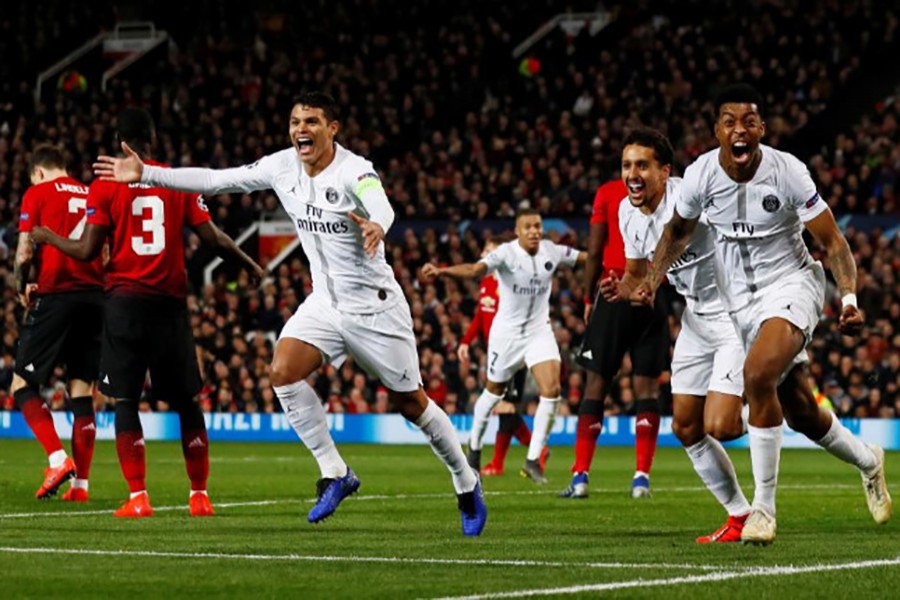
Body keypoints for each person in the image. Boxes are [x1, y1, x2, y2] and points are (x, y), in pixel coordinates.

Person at [91, 92, 487, 536]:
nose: (302, 129)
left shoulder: (354, 169)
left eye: (312, 121)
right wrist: (149, 174)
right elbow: (216, 180)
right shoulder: (282, 166)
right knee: (282, 371)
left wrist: (379, 223)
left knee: (411, 403)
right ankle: (335, 472)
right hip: (325, 302)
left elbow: (380, 201)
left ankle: (465, 481)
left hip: (374, 306)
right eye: (296, 120)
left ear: (332, 129)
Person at [633, 83, 891, 544]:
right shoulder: (700, 177)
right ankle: (870, 462)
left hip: (792, 286)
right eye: (729, 121)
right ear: (717, 131)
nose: (740, 129)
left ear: (761, 129)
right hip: (739, 306)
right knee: (802, 413)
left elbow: (833, 243)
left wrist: (848, 299)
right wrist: (651, 282)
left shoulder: (787, 172)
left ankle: (763, 513)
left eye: (749, 121)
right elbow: (675, 231)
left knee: (756, 375)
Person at [34, 108, 264, 518]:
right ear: (152, 141)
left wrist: (49, 237)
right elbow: (211, 237)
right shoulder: (175, 180)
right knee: (187, 402)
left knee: (125, 399)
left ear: (118, 141)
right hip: (170, 305)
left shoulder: (104, 188)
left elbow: (87, 250)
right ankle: (199, 496)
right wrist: (247, 264)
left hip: (124, 303)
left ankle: (138, 498)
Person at [601, 128, 750, 543]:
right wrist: (623, 288)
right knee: (686, 427)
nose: (633, 173)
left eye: (643, 165)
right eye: (627, 165)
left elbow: (676, 238)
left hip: (735, 312)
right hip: (696, 319)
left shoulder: (691, 197)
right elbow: (635, 274)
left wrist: (650, 280)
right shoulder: (625, 211)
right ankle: (739, 516)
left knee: (721, 425)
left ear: (665, 172)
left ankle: (774, 401)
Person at [423, 208, 587, 484]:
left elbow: (586, 257)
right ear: (518, 231)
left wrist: (618, 257)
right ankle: (474, 449)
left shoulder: (552, 251)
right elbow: (475, 269)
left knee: (552, 390)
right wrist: (442, 272)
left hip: (538, 331)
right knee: (493, 393)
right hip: (506, 336)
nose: (535, 231)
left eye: (538, 226)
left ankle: (534, 460)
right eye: (529, 227)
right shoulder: (506, 254)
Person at [560, 175, 669, 500]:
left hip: (616, 288)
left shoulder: (608, 193)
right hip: (655, 290)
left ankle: (580, 476)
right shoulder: (664, 190)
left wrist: (588, 298)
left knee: (597, 384)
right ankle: (641, 478)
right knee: (647, 386)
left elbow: (594, 249)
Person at [13, 143, 103, 501]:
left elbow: (24, 250)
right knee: (82, 393)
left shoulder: (37, 193)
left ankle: (56, 459)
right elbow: (105, 250)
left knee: (21, 385)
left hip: (57, 295)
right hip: (96, 298)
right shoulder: (91, 192)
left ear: (38, 171)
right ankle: (80, 487)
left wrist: (22, 285)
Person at [456, 238, 547, 476]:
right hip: (495, 352)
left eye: (489, 251)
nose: (484, 254)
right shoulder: (486, 283)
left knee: (505, 406)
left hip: (514, 350)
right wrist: (466, 341)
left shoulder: (512, 284)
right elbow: (479, 316)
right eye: (484, 250)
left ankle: (497, 463)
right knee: (503, 406)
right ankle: (537, 451)